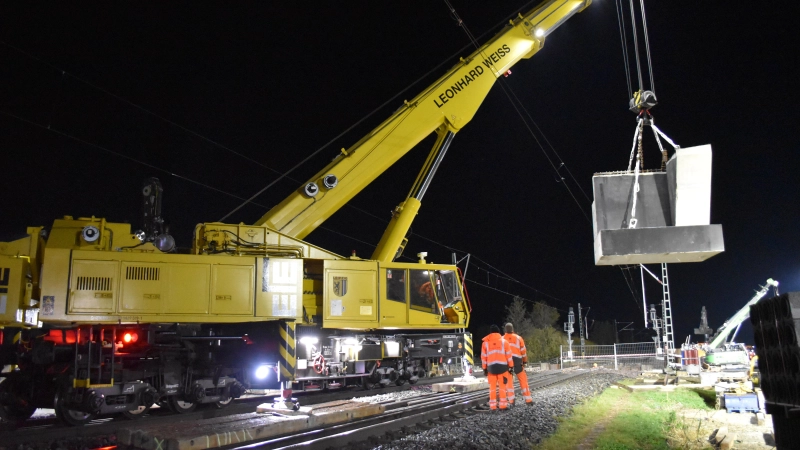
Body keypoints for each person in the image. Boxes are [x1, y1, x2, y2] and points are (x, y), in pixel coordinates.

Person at [481, 324, 513, 411]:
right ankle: (503, 406)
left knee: (492, 388)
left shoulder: (485, 343)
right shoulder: (504, 342)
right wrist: (511, 366)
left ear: (490, 333)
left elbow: (484, 357)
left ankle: (493, 407)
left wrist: (484, 368)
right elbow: (509, 356)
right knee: (502, 387)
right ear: (499, 332)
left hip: (491, 369)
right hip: (503, 368)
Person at [504, 322, 532, 405]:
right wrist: (524, 361)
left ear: (505, 330)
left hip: (507, 362)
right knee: (523, 380)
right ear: (513, 329)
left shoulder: (502, 339)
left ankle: (511, 401)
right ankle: (528, 400)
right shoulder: (519, 338)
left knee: (509, 382)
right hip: (517, 361)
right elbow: (523, 351)